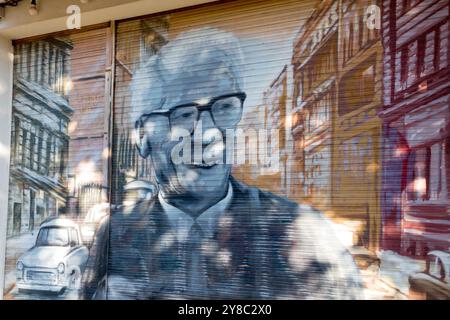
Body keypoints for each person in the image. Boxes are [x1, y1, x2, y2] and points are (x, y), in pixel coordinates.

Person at [82, 27, 364, 300]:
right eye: (183, 114)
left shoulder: (305, 230)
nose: (208, 134)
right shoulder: (116, 232)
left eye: (225, 107)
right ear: (142, 136)